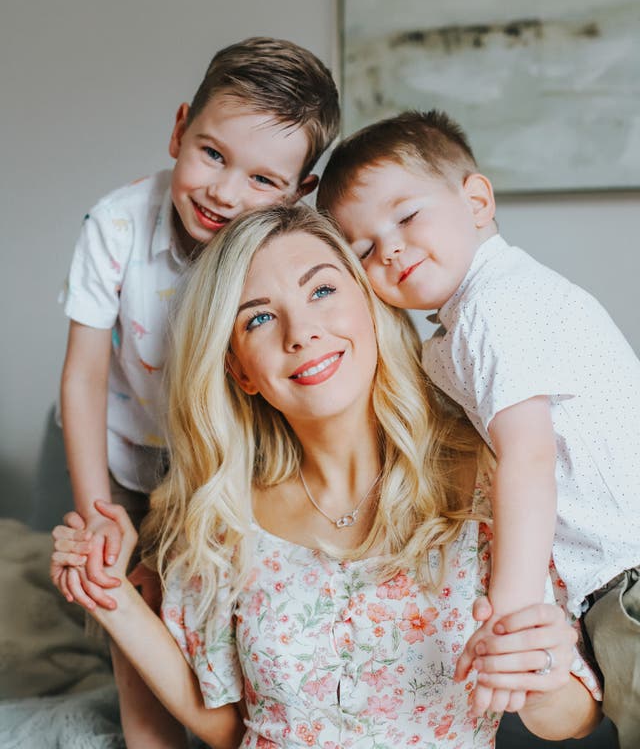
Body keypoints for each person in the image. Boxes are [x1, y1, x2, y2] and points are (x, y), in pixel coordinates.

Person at [52, 205, 601, 747]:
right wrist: (114, 597)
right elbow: (226, 726)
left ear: (370, 303)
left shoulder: (495, 484)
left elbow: (573, 719)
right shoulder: (222, 518)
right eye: (259, 318)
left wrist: (538, 676)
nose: (301, 332)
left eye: (322, 291)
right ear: (240, 369)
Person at [316, 108, 640, 743]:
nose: (392, 249)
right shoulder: (478, 315)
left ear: (477, 200)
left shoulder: (495, 307)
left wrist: (514, 614)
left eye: (406, 217)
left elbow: (528, 459)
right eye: (363, 250)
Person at [56, 38, 340, 748]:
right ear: (180, 128)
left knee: (218, 608)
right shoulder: (116, 223)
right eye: (212, 154)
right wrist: (96, 514)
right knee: (129, 597)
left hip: (227, 467)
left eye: (263, 180)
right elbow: (84, 377)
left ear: (299, 192)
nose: (225, 192)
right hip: (130, 461)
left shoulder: (277, 252)